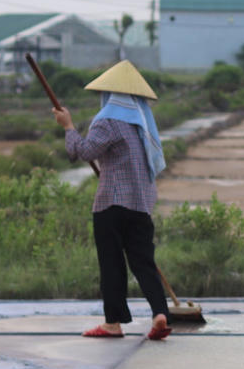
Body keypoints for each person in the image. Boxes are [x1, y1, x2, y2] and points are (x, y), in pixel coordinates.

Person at [51, 60, 172, 341]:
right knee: (144, 262)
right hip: (140, 206)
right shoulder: (141, 127)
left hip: (112, 204)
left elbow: (82, 151)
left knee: (112, 263)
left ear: (110, 95)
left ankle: (113, 323)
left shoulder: (108, 121)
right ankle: (159, 313)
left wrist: (67, 126)